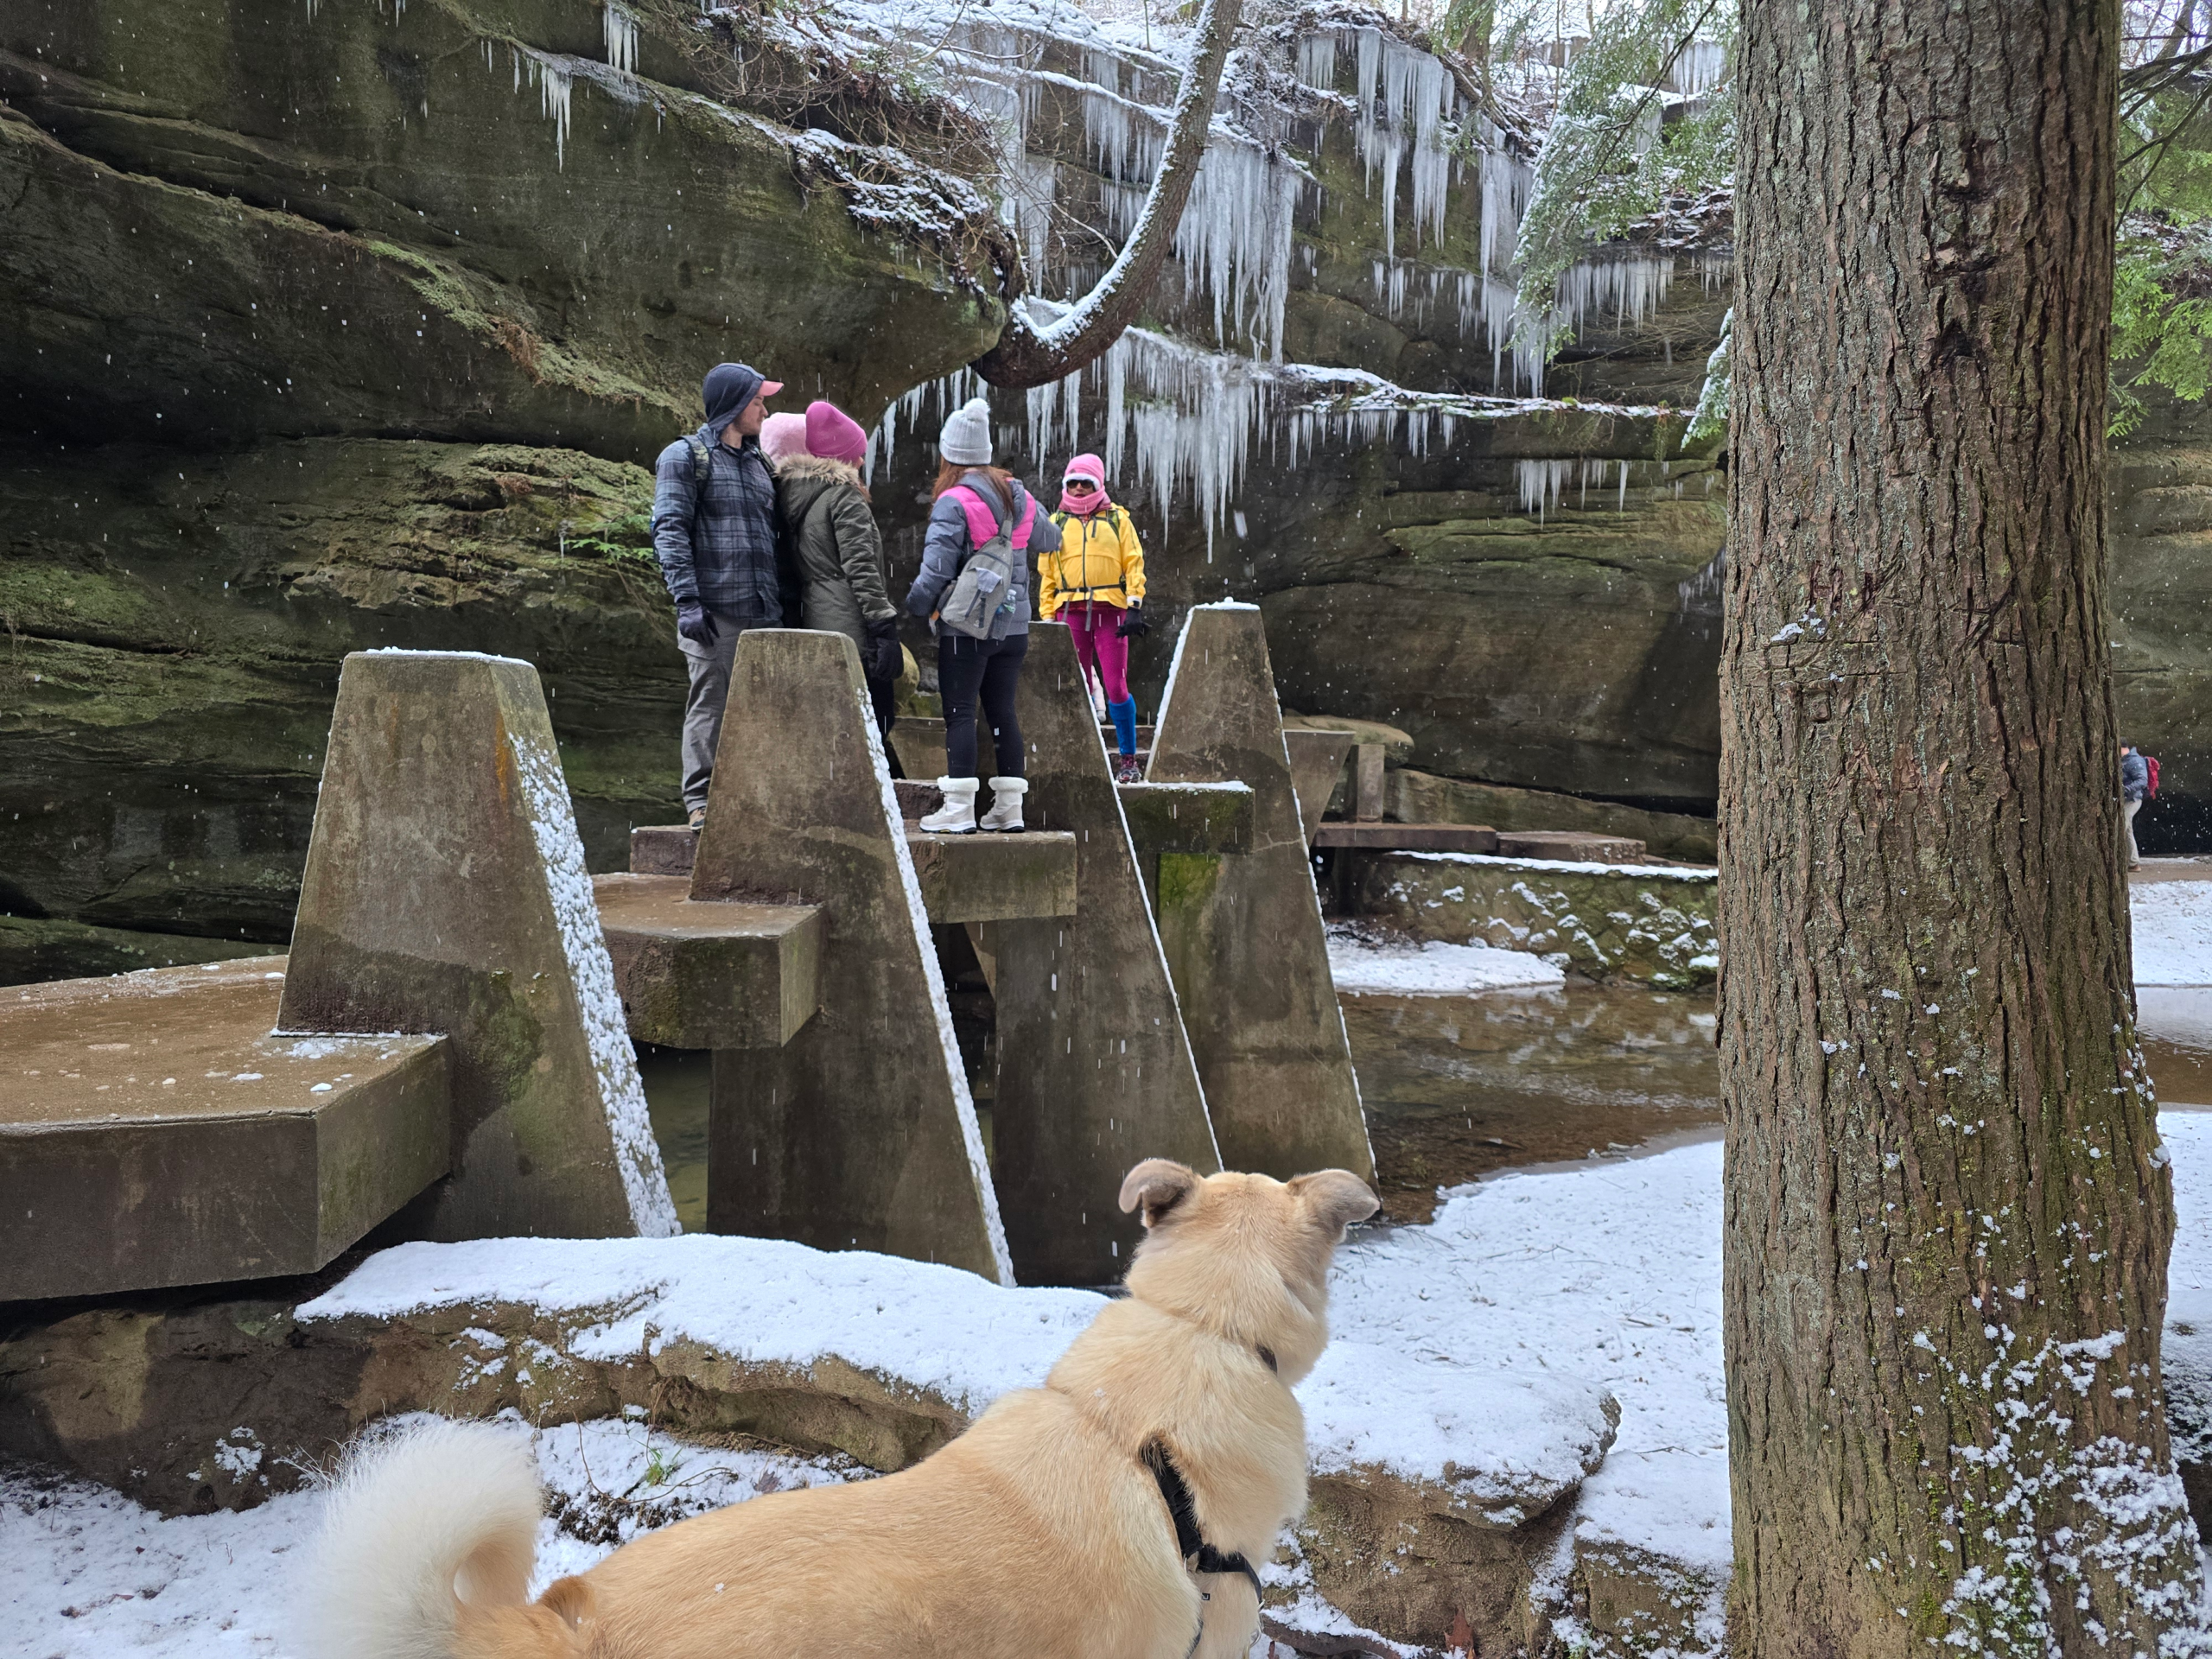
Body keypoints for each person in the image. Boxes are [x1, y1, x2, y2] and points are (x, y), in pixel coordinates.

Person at [905, 397, 1061, 834]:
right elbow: (1051, 540)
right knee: (1002, 713)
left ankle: (958, 809)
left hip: (968, 626)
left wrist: (915, 607)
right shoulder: (1020, 495)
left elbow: (935, 570)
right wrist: (1028, 505)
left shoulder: (953, 501)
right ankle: (1009, 809)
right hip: (1014, 627)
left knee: (959, 713)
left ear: (949, 454)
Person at [653, 361, 791, 830]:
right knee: (710, 704)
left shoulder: (759, 464)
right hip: (714, 612)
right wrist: (687, 600)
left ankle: (752, 800)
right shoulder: (684, 456)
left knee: (760, 709)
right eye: (757, 401)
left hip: (764, 611)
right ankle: (701, 804)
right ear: (733, 405)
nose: (765, 410)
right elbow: (669, 530)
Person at [775, 400, 904, 739]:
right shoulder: (844, 496)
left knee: (833, 721)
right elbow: (860, 567)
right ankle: (871, 790)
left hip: (816, 617)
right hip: (852, 622)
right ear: (842, 457)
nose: (862, 460)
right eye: (857, 453)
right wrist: (883, 626)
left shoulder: (791, 492)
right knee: (876, 719)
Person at [1040, 452, 1148, 783]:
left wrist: (1134, 605)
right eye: (1072, 483)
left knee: (1115, 685)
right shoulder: (1056, 523)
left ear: (1098, 484)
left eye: (1085, 483)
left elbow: (1134, 561)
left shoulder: (1118, 519)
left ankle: (1127, 759)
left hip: (1111, 611)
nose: (1077, 489)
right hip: (1069, 610)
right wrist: (1047, 616)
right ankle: (1081, 756)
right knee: (1077, 684)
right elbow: (1047, 572)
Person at [2123, 741, 2150, 870]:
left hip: (2133, 799)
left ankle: (2125, 860)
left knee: (2122, 824)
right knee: (2127, 829)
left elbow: (2142, 780)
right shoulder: (2122, 760)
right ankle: (2133, 862)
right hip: (2124, 799)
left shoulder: (2134, 761)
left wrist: (2125, 789)